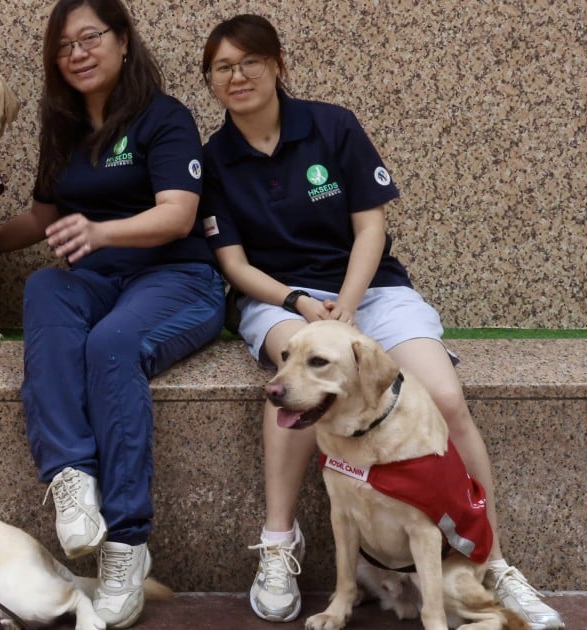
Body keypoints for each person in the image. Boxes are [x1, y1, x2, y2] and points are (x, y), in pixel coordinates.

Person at [198, 14, 565, 629]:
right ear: (210, 81)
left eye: (249, 62)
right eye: (222, 68)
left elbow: (371, 226)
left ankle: (492, 561)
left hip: (370, 291)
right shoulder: (214, 158)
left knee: (445, 396)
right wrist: (299, 304)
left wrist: (347, 301)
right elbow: (233, 263)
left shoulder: (333, 126)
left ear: (278, 64)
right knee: (292, 391)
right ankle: (279, 545)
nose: (238, 76)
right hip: (283, 301)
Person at [0, 0, 224, 626]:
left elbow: (177, 213)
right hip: (97, 281)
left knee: (111, 345)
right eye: (64, 46)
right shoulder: (64, 128)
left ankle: (126, 541)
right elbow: (44, 216)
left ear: (123, 41)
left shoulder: (164, 118)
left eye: (90, 37)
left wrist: (100, 233)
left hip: (179, 278)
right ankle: (71, 476)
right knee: (44, 287)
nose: (78, 54)